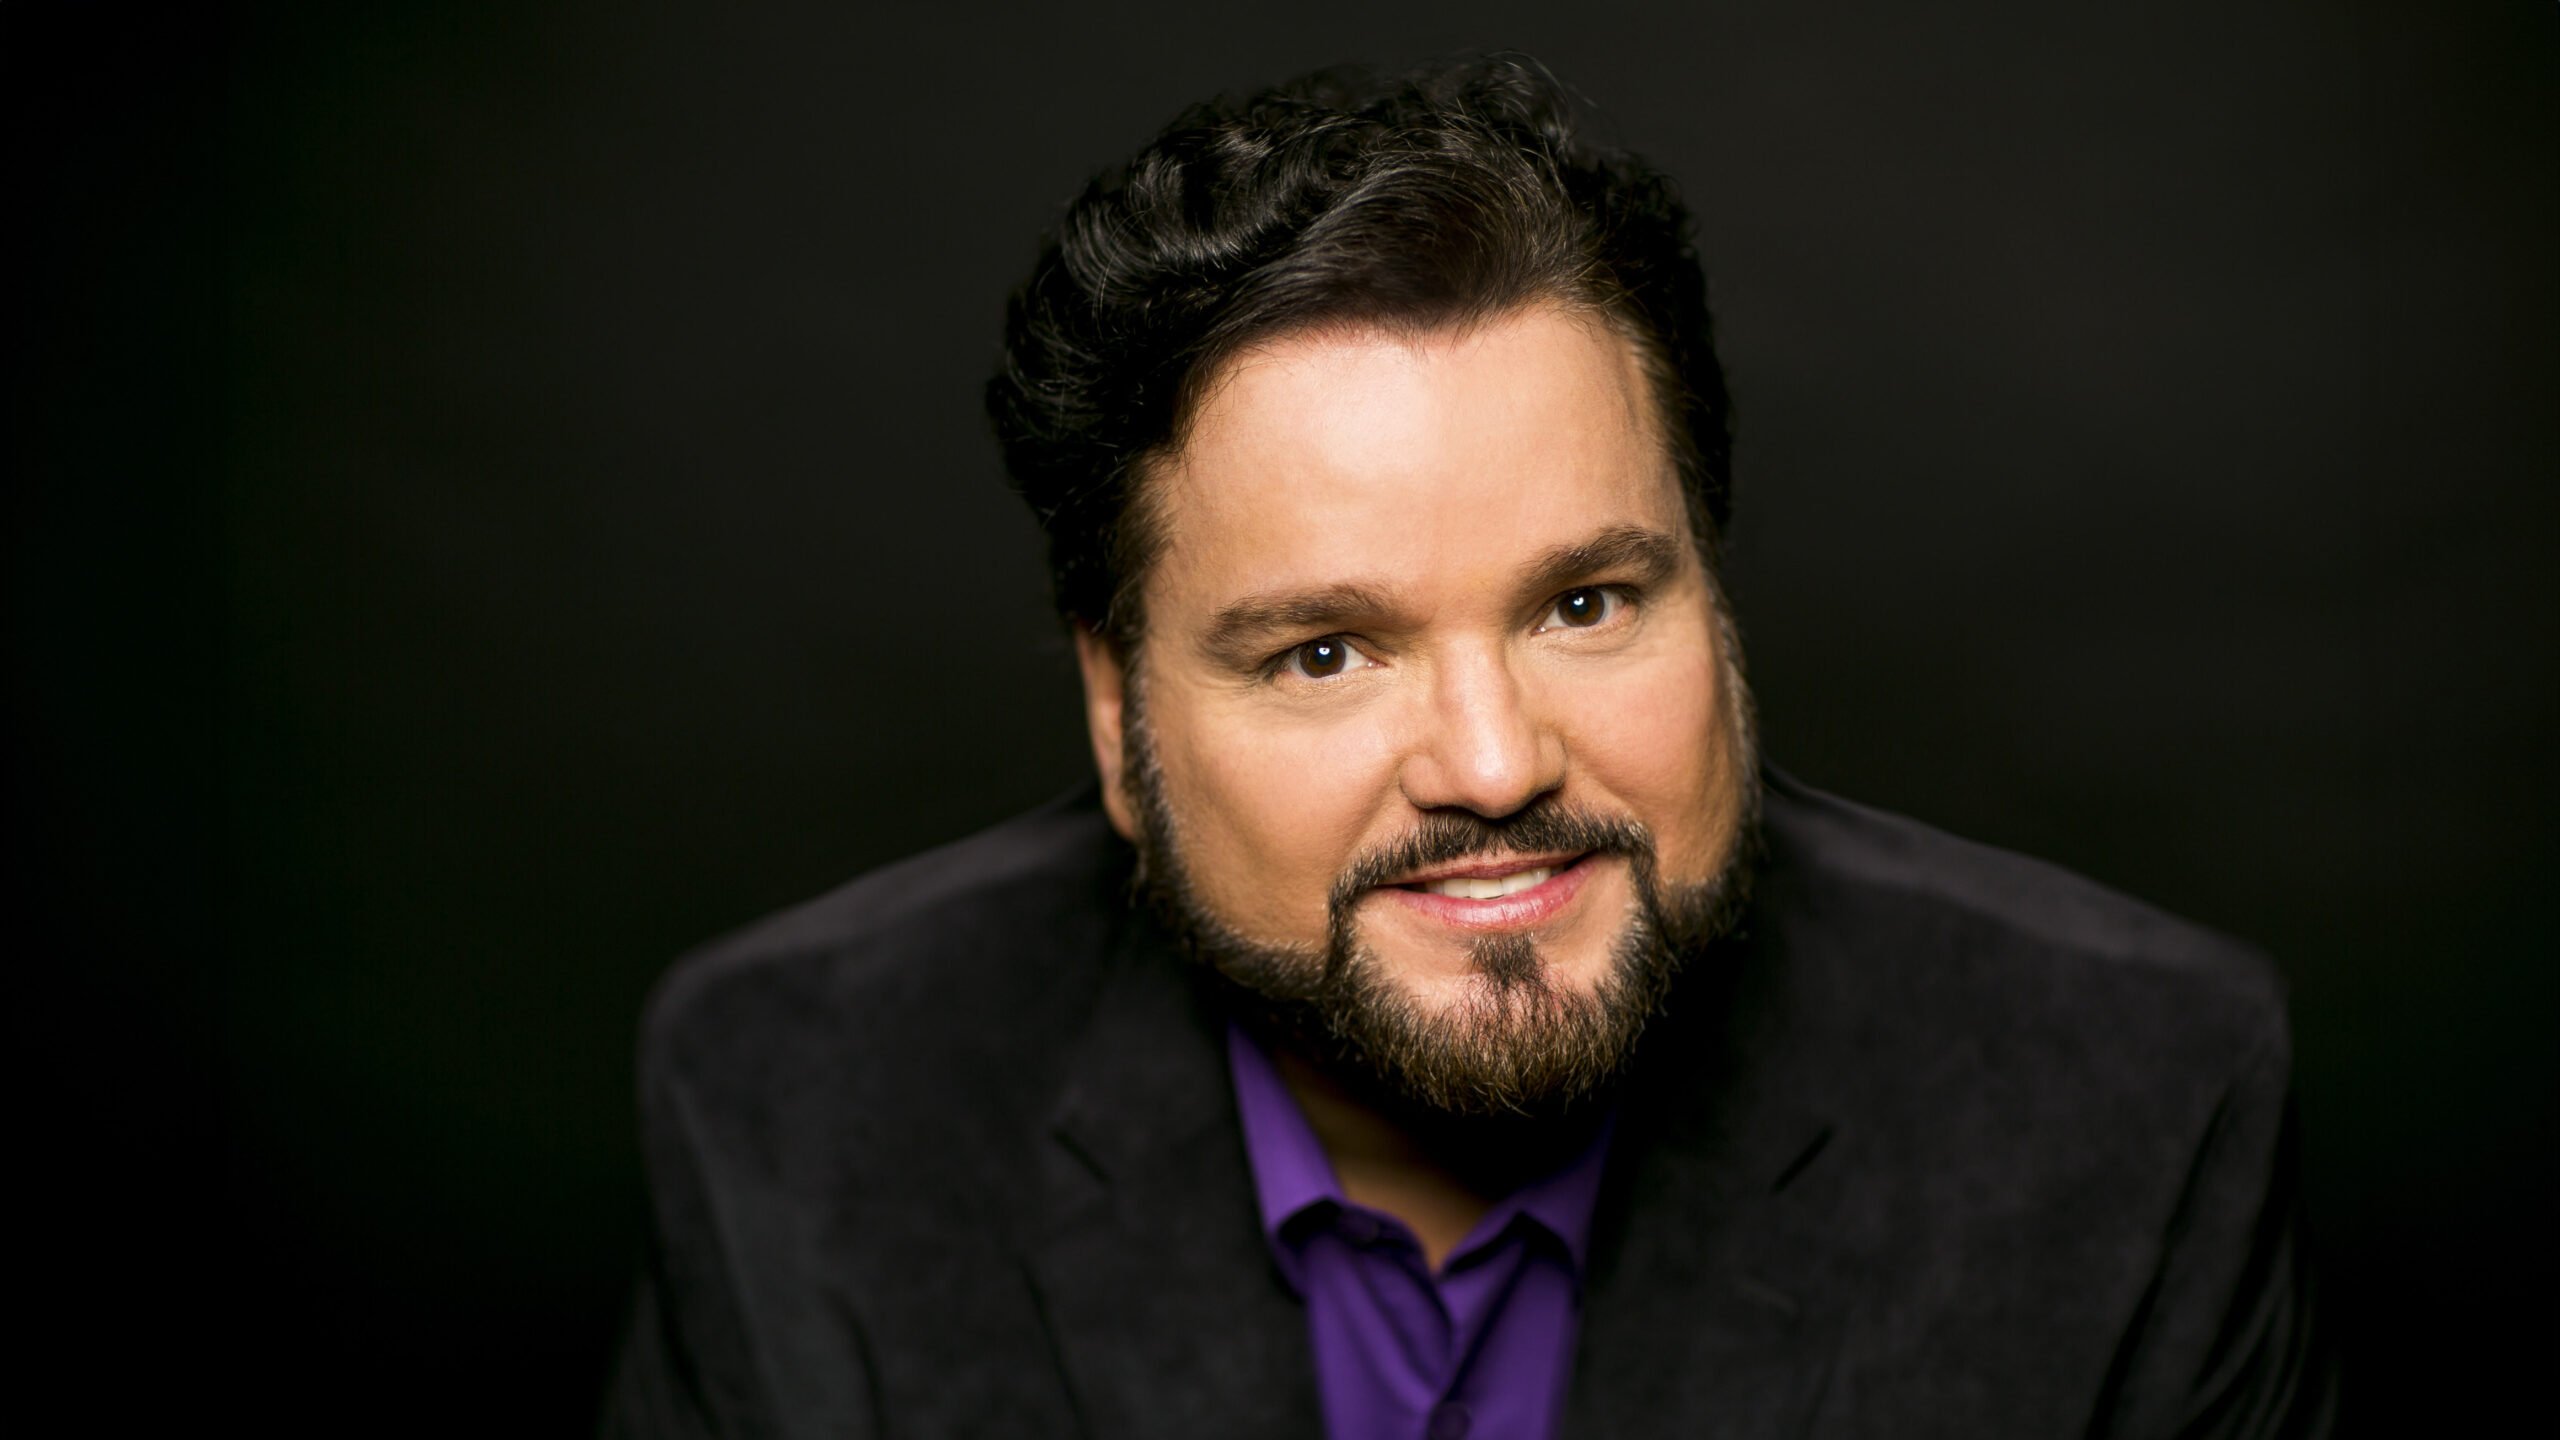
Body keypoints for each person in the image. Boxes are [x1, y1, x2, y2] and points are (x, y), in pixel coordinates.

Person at [603, 54, 2331, 1439]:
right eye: (1326, 652)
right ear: (1122, 722)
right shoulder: (802, 1110)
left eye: (1584, 604)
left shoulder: (2134, 1106)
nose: (1497, 765)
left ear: (1714, 605)